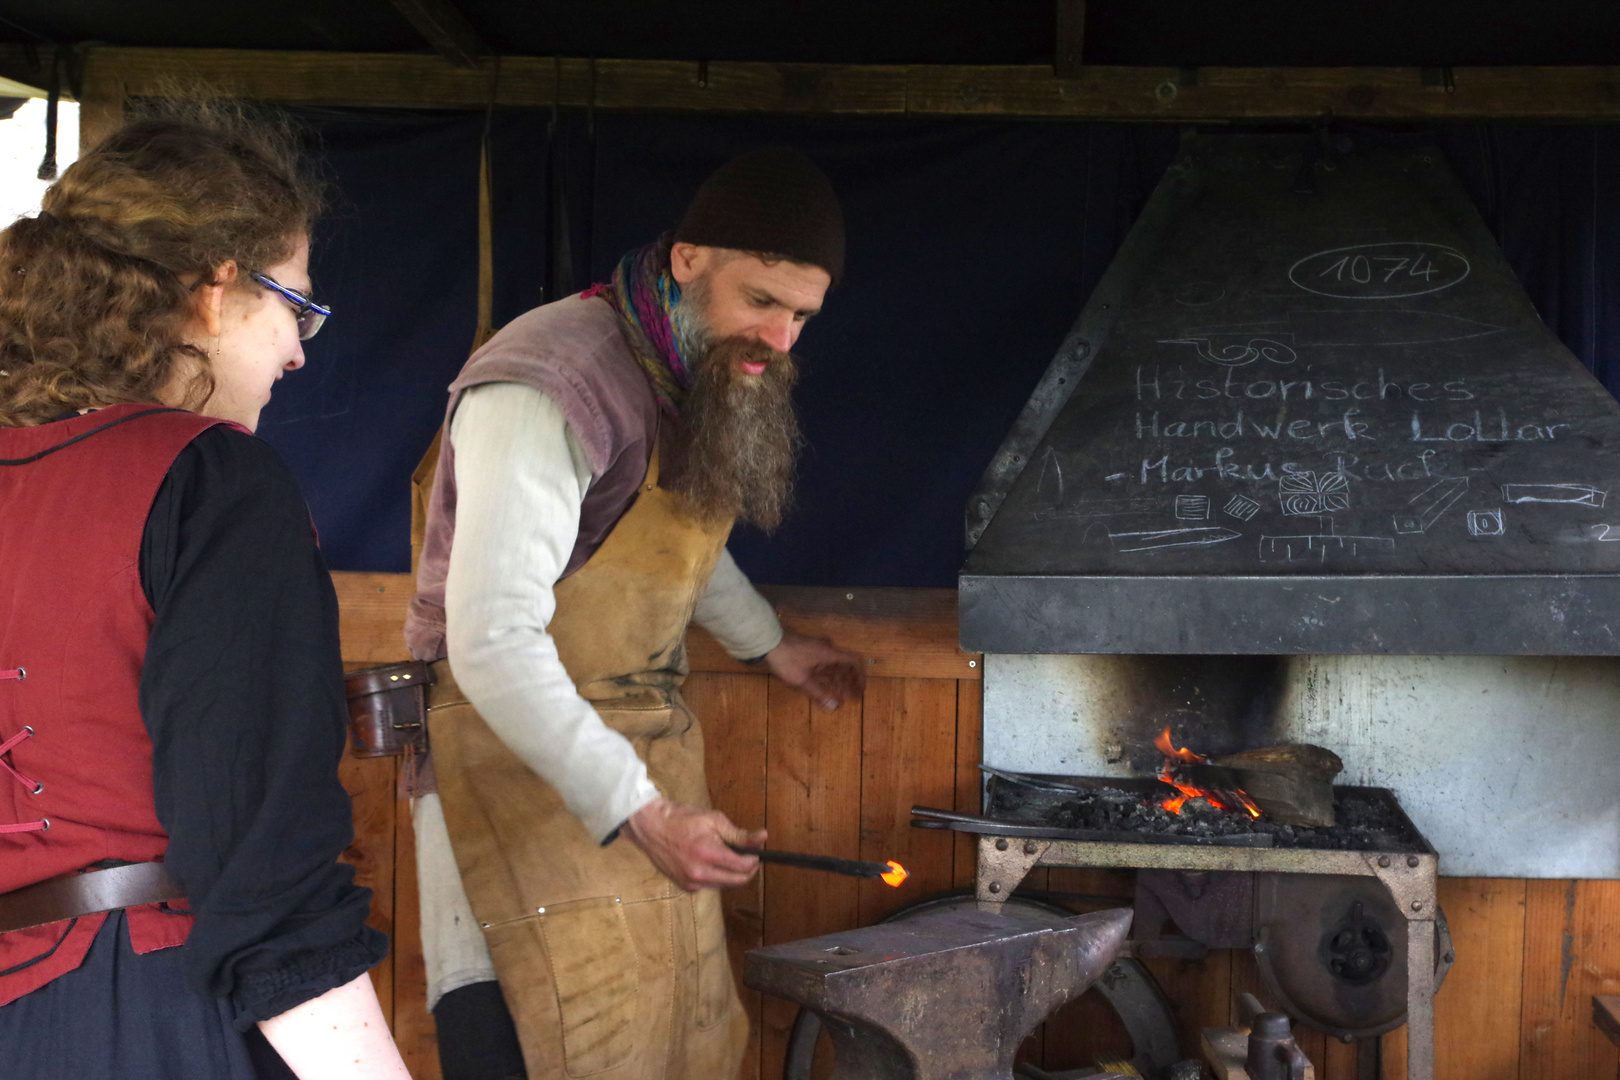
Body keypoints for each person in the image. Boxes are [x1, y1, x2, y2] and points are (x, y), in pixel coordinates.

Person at [405, 147, 867, 1080]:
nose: (779, 339)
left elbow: (679, 536)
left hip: (641, 768)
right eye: (762, 300)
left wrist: (770, 645)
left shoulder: (679, 364)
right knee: (533, 1045)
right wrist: (640, 814)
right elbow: (489, 638)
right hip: (502, 763)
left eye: (801, 317)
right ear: (689, 259)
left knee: (672, 1049)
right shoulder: (550, 382)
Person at [0, 103, 410, 1080]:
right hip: (146, 1013)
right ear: (217, 290)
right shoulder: (211, 482)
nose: (299, 352)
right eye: (295, 306)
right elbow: (263, 863)